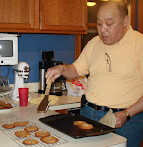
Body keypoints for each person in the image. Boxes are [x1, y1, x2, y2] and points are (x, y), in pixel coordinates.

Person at [45, 1, 143, 147]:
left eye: (109, 24)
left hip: (127, 120)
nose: (102, 30)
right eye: (98, 24)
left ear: (125, 21)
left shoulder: (139, 44)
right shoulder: (94, 43)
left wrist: (127, 114)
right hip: (89, 114)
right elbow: (76, 70)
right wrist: (62, 69)